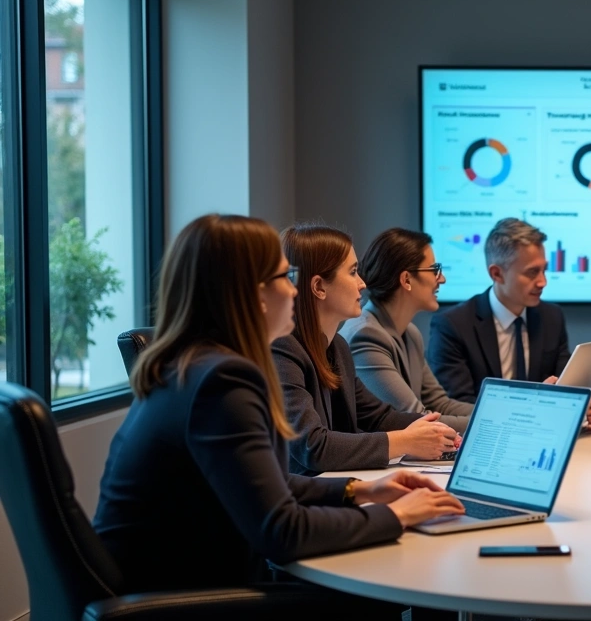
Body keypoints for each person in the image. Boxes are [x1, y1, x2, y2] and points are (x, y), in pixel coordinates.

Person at [93, 214, 464, 595]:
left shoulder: (192, 366)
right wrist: (396, 515)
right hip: (180, 597)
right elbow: (282, 531)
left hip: (168, 582)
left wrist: (360, 490)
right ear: (249, 292)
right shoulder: (223, 382)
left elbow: (269, 483)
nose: (293, 291)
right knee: (370, 598)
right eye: (284, 279)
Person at [274, 223, 460, 475]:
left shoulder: (336, 346)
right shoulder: (282, 350)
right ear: (319, 287)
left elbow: (379, 417)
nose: (362, 284)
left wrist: (439, 432)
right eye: (352, 273)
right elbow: (313, 446)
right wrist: (406, 441)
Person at [428, 217, 591, 430]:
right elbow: (458, 407)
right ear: (496, 273)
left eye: (544, 270)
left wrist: (590, 410)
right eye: (532, 272)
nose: (543, 282)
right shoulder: (453, 325)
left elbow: (566, 389)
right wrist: (531, 404)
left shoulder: (551, 317)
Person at [339, 228, 473, 432]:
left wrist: (505, 414)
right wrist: (496, 424)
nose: (442, 279)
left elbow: (441, 404)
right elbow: (416, 420)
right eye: (434, 269)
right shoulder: (365, 336)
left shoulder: (410, 333)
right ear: (406, 280)